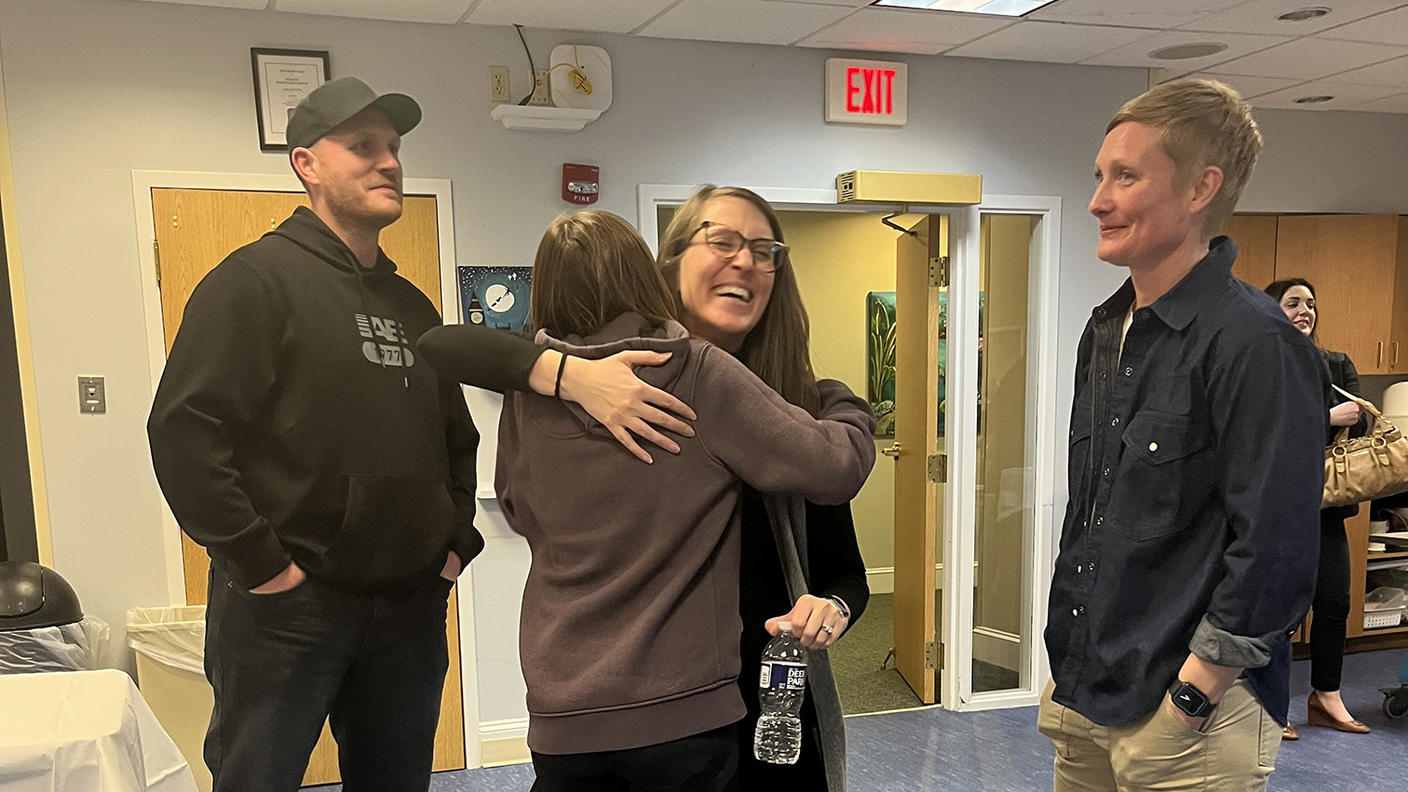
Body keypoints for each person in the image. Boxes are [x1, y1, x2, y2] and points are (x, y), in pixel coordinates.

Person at [418, 186, 868, 791]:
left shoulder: (532, 392)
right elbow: (836, 466)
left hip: (566, 708)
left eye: (762, 251)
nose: (743, 264)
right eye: (722, 243)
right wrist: (847, 404)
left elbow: (521, 508)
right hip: (684, 705)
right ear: (657, 272)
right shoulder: (695, 370)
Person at [147, 77, 482, 792]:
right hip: (286, 609)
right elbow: (184, 432)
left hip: (408, 610)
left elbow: (456, 438)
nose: (388, 162)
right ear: (307, 163)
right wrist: (260, 564)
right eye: (362, 146)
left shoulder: (414, 306)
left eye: (393, 148)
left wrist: (458, 542)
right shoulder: (253, 283)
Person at [1038, 78, 1326, 792]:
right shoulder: (1107, 331)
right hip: (1088, 688)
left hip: (1189, 716)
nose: (1099, 200)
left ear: (1201, 189)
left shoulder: (1256, 343)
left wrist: (1195, 695)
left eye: (1126, 177)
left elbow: (1277, 549)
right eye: (1100, 177)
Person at [1264, 277, 1371, 739]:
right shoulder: (1261, 366)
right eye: (1293, 303)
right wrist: (1325, 418)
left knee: (1333, 603)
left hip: (1327, 506)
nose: (1305, 310)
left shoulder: (1335, 364)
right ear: (1272, 311)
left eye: (1310, 303)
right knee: (1280, 610)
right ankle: (1271, 706)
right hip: (1276, 506)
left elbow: (1364, 422)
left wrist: (1353, 417)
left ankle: (1326, 697)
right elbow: (1263, 431)